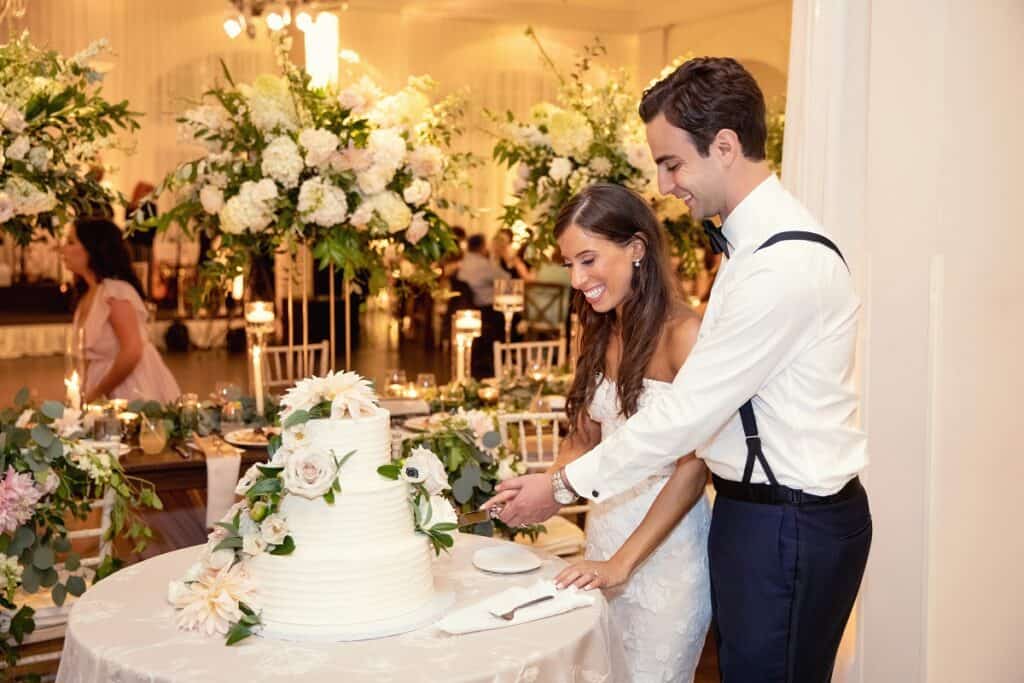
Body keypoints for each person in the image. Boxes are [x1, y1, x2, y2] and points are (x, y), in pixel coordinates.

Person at [485, 57, 871, 683]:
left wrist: (559, 488)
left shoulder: (783, 264)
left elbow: (685, 417)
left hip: (790, 522)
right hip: (756, 515)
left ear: (724, 147)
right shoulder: (751, 250)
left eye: (672, 163)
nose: (665, 187)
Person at [545, 183, 710, 682]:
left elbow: (695, 464)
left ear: (636, 249)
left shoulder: (687, 335)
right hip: (601, 539)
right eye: (570, 264)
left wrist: (623, 563)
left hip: (665, 556)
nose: (577, 279)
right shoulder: (596, 328)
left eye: (589, 260)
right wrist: (546, 489)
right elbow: (583, 437)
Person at [62, 218, 181, 403]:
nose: (63, 249)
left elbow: (132, 351)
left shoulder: (115, 292)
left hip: (130, 388)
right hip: (100, 386)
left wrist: (98, 392)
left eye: (71, 242)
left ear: (92, 249)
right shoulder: (89, 293)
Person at [455, 234, 509, 378]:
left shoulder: (464, 262)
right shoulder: (483, 265)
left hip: (469, 307)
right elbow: (506, 279)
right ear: (481, 247)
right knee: (511, 318)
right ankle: (502, 359)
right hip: (486, 311)